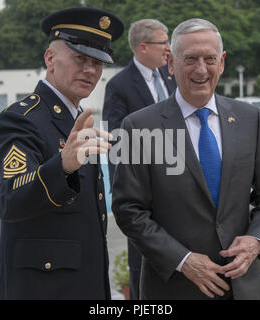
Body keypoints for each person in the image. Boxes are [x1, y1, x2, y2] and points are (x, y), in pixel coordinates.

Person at [111, 18, 260, 300]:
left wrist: (257, 241)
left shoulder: (249, 119)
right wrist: (182, 260)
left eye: (210, 59)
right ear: (170, 63)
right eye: (190, 59)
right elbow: (128, 209)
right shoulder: (139, 126)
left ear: (223, 62)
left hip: (241, 286)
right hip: (173, 287)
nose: (201, 69)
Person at [0, 7, 123, 299]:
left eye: (97, 62)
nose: (90, 70)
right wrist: (61, 167)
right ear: (50, 59)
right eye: (80, 58)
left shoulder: (77, 119)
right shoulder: (22, 118)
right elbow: (6, 197)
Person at [102, 18, 176, 300]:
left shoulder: (171, 76)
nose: (169, 48)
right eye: (164, 42)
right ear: (143, 47)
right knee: (142, 260)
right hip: (143, 189)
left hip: (178, 182)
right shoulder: (119, 86)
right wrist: (127, 191)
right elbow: (117, 141)